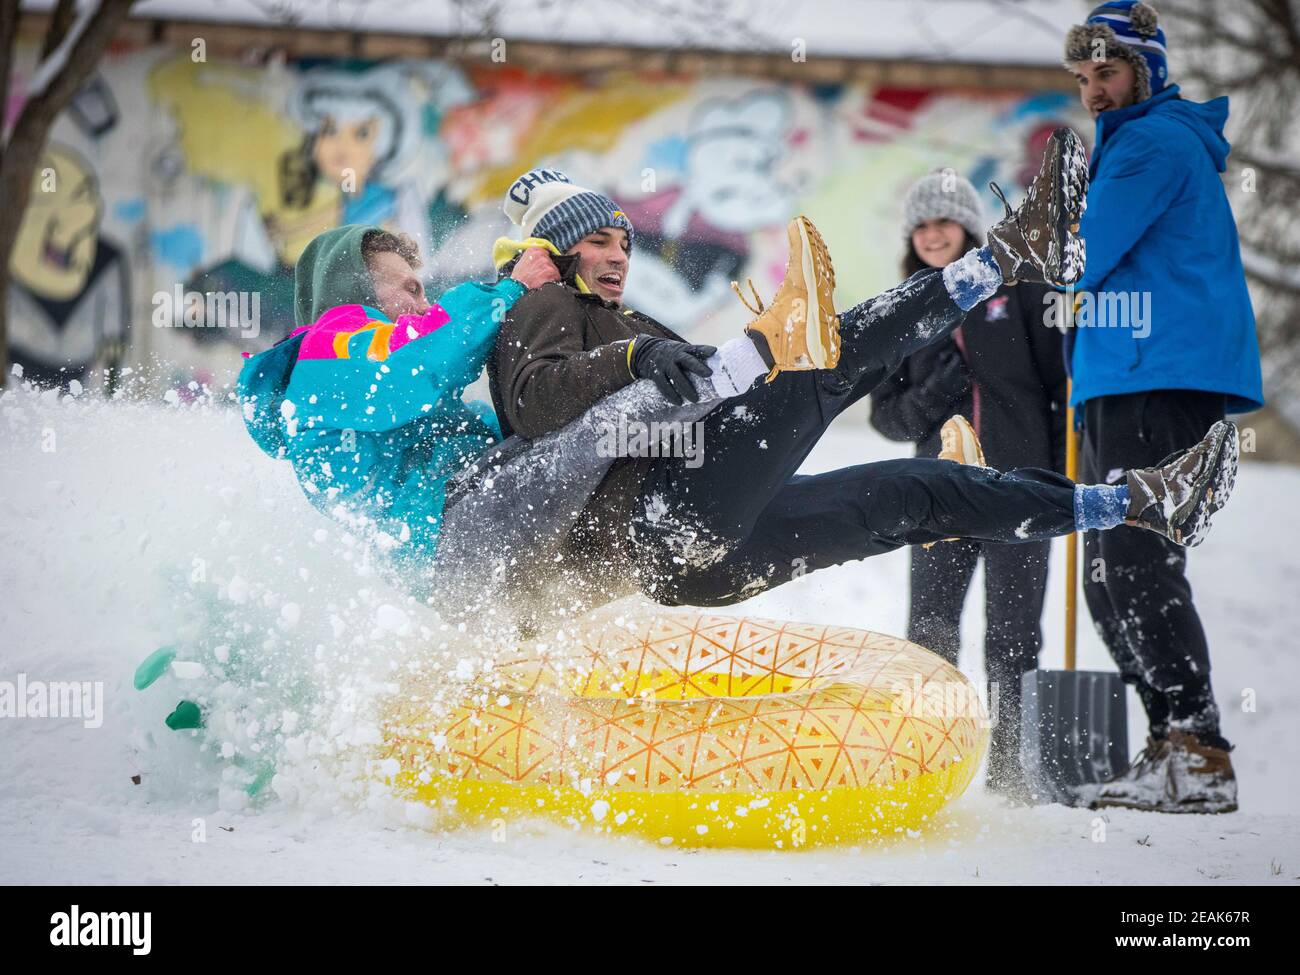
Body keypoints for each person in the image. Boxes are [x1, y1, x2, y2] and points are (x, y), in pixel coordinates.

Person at [472, 137, 1237, 634]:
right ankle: (1005, 255)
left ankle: (1136, 502)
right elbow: (538, 401)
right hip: (658, 519)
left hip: (697, 553)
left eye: (623, 242)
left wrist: (702, 368)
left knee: (911, 495)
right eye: (597, 241)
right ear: (556, 249)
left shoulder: (629, 323)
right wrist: (636, 359)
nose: (617, 256)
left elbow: (678, 409)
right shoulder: (544, 305)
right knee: (826, 361)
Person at [1062, 1, 1264, 813]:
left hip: (1157, 374)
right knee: (1110, 576)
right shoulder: (1135, 142)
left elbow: (1079, 256)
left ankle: (1199, 748)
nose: (1093, 93)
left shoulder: (1148, 143)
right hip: (1126, 374)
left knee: (1137, 562)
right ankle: (1171, 745)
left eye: (1106, 73)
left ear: (1143, 71)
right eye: (1082, 79)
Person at [869, 169, 1065, 800]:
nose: (932, 235)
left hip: (1021, 493)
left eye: (944, 222)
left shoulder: (1020, 292)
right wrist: (937, 389)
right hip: (938, 497)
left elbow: (1060, 388)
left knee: (1014, 636)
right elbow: (889, 420)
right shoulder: (903, 309)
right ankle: (927, 766)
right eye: (921, 226)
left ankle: (1015, 772)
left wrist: (1061, 477)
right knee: (929, 632)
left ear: (969, 229)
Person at [236, 224, 559, 573]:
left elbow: (466, 425)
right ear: (357, 289)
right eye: (411, 290)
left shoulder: (343, 373)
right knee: (618, 421)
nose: (425, 306)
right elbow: (415, 357)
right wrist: (510, 289)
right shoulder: (332, 346)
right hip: (454, 528)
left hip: (445, 550)